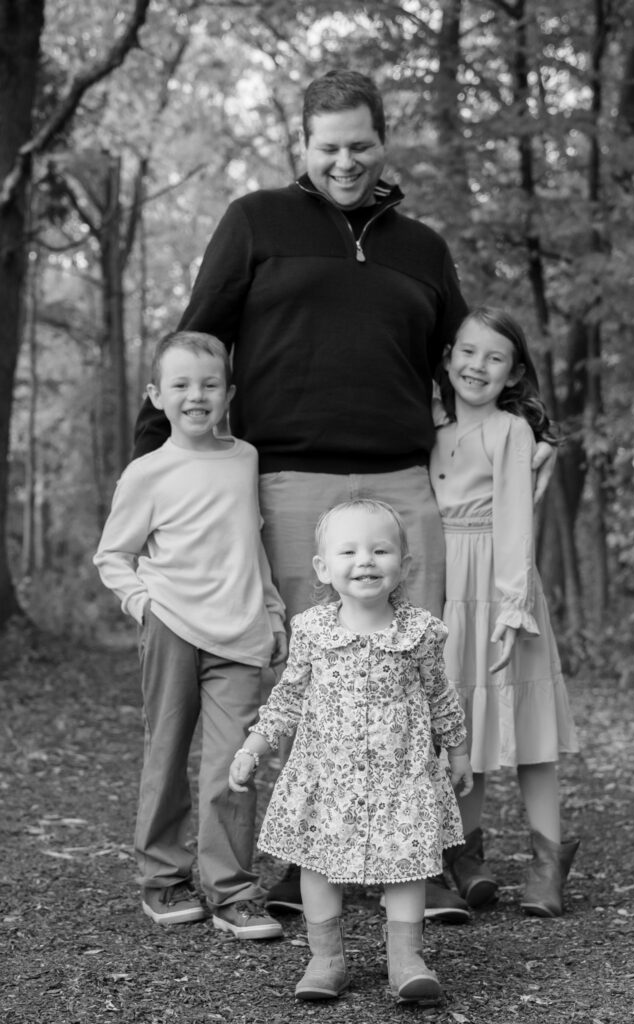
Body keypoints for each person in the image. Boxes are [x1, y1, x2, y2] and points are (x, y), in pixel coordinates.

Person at [132, 68, 554, 919]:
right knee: (305, 666)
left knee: (408, 664)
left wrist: (529, 426)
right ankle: (297, 857)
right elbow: (199, 333)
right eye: (328, 147)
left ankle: (423, 857)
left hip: (404, 479)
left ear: (382, 140)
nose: (345, 161)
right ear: (304, 143)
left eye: (361, 145)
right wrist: (154, 465)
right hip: (290, 477)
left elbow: (467, 358)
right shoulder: (255, 222)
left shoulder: (421, 248)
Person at [228, 499, 473, 1004]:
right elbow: (289, 697)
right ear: (323, 567)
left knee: (406, 865)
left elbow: (440, 695)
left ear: (403, 565)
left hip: (400, 773)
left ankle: (406, 959)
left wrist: (459, 752)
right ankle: (326, 958)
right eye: (349, 551)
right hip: (327, 775)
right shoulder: (314, 630)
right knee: (318, 863)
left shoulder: (419, 632)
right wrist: (253, 747)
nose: (365, 560)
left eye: (380, 550)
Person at [94, 331, 288, 938]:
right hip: (172, 627)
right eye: (180, 385)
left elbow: (251, 544)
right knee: (168, 750)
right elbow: (112, 555)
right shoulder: (147, 473)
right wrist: (144, 605)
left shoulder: (245, 458)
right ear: (156, 395)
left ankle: (232, 891)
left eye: (208, 384)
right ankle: (164, 878)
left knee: (234, 763)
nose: (195, 396)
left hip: (239, 630)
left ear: (228, 394)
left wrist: (275, 611)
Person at [429, 307, 580, 918]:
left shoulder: (511, 431)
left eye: (495, 358)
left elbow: (518, 515)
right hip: (447, 579)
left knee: (529, 727)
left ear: (514, 373)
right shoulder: (429, 426)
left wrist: (515, 601)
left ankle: (548, 862)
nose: (477, 367)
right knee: (467, 721)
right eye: (468, 352)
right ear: (447, 358)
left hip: (501, 580)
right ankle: (467, 856)